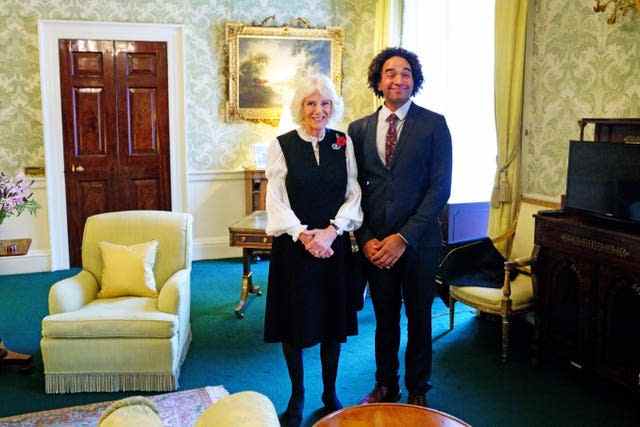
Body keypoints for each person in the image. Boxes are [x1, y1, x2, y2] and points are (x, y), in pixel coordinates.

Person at [348, 47, 452, 407]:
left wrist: (403, 237)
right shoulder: (358, 129)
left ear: (415, 80)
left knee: (420, 318)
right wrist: (366, 239)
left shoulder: (434, 124)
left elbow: (440, 189)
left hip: (419, 244)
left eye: (406, 72)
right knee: (385, 318)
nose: (398, 79)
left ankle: (419, 388)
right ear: (378, 81)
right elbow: (353, 189)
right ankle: (385, 385)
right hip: (375, 245)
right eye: (390, 72)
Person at [263, 74, 363, 427]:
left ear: (332, 108)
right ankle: (297, 394)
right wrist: (305, 236)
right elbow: (275, 199)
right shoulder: (282, 144)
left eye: (324, 104)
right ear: (299, 107)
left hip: (333, 247)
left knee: (332, 321)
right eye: (310, 103)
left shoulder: (342, 142)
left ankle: (330, 392)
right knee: (294, 323)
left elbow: (354, 193)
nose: (318, 110)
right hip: (295, 247)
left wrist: (332, 231)